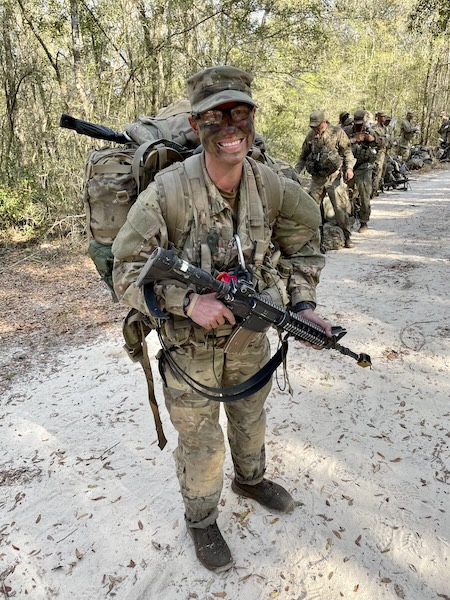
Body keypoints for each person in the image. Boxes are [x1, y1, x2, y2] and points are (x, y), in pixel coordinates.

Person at [111, 66, 331, 572]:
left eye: (240, 112)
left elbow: (305, 244)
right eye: (216, 115)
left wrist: (302, 304)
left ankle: (250, 480)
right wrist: (186, 303)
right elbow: (125, 268)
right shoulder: (167, 191)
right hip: (189, 346)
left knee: (251, 419)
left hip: (250, 336)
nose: (230, 125)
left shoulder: (271, 186)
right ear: (196, 123)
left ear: (252, 118)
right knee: (202, 441)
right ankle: (202, 519)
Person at [295, 110, 356, 248]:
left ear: (324, 122)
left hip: (333, 177)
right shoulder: (310, 136)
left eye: (317, 126)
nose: (315, 129)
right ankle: (315, 240)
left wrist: (349, 168)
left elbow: (347, 152)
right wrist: (295, 172)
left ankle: (347, 236)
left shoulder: (337, 132)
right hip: (317, 178)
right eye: (312, 127)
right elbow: (303, 157)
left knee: (340, 208)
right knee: (312, 208)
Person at [344, 110, 382, 232]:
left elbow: (383, 143)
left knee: (364, 195)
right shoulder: (347, 131)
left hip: (364, 167)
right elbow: (340, 144)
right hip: (349, 166)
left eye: (361, 124)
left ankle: (364, 221)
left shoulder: (369, 131)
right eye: (357, 123)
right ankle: (348, 219)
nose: (359, 126)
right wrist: (354, 140)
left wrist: (372, 139)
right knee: (347, 194)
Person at [371, 111, 389, 196]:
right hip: (378, 152)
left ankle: (380, 186)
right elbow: (376, 140)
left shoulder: (385, 128)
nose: (384, 118)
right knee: (377, 170)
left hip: (385, 151)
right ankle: (374, 189)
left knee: (384, 169)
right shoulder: (375, 128)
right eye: (383, 116)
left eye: (385, 116)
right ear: (378, 117)